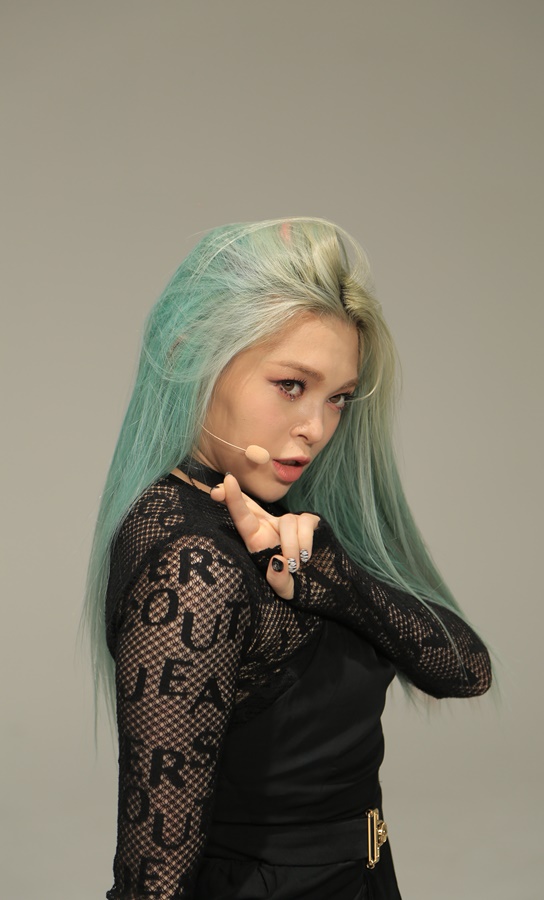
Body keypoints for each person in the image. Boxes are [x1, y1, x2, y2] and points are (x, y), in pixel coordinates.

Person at [84, 218, 492, 900]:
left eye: (338, 398)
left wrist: (338, 583)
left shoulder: (287, 523)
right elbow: (152, 881)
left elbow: (467, 669)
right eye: (291, 386)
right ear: (193, 355)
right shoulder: (195, 566)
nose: (317, 428)